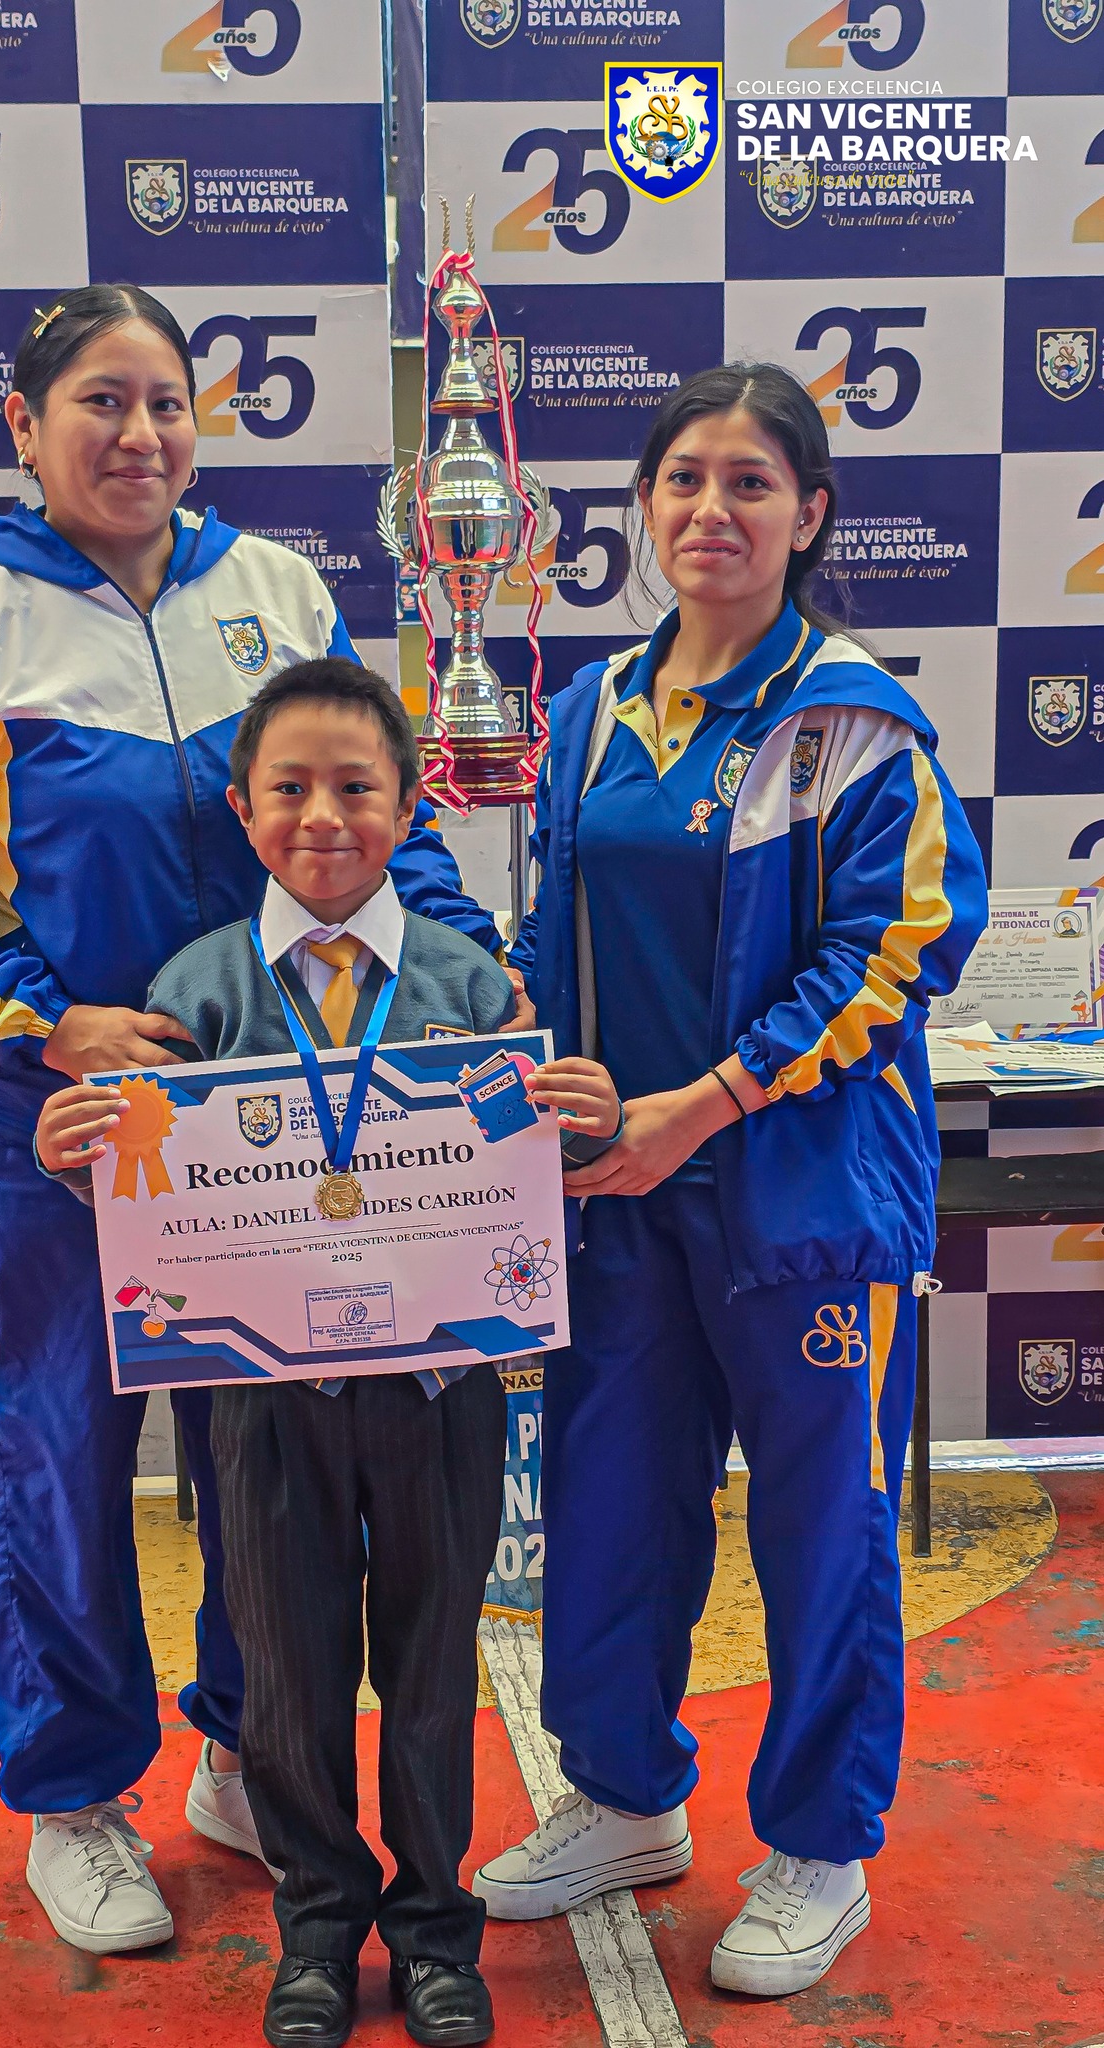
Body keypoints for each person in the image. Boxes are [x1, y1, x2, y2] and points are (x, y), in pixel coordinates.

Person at [0, 284, 509, 1956]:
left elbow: (374, 816)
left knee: (267, 1455)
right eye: (101, 402)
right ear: (24, 425)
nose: (139, 435)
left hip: (278, 1125)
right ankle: (72, 1798)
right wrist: (45, 1025)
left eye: (168, 403)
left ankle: (243, 1754)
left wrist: (465, 987)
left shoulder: (274, 590)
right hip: (53, 1137)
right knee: (57, 1460)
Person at [470, 364, 988, 1997]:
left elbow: (897, 948)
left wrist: (699, 1107)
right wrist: (532, 1069)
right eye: (683, 478)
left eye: (750, 482)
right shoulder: (584, 713)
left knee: (822, 1524)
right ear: (642, 505)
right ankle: (624, 1795)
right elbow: (553, 935)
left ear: (807, 514)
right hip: (616, 1194)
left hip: (797, 1191)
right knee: (612, 1500)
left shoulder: (852, 719)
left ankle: (821, 1845)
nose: (711, 509)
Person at [39, 658, 514, 2048]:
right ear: (242, 811)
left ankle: (434, 1931)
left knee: (430, 1669)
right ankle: (314, 1930)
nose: (323, 817)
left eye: (357, 787)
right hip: (258, 1400)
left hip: (438, 1388)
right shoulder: (191, 991)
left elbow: (521, 1182)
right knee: (288, 1682)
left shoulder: (473, 984)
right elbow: (152, 1197)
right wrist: (75, 1154)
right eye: (289, 788)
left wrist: (577, 1119)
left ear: (408, 805)